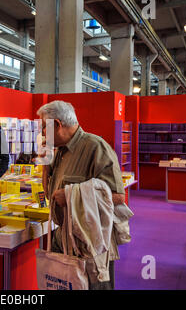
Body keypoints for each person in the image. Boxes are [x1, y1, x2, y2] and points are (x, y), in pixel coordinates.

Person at [37, 100, 125, 290]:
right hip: (65, 238)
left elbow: (117, 196)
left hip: (91, 244)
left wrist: (70, 194)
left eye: (44, 127)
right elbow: (47, 194)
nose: (42, 133)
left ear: (57, 125)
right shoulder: (59, 151)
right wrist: (45, 163)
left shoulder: (95, 147)